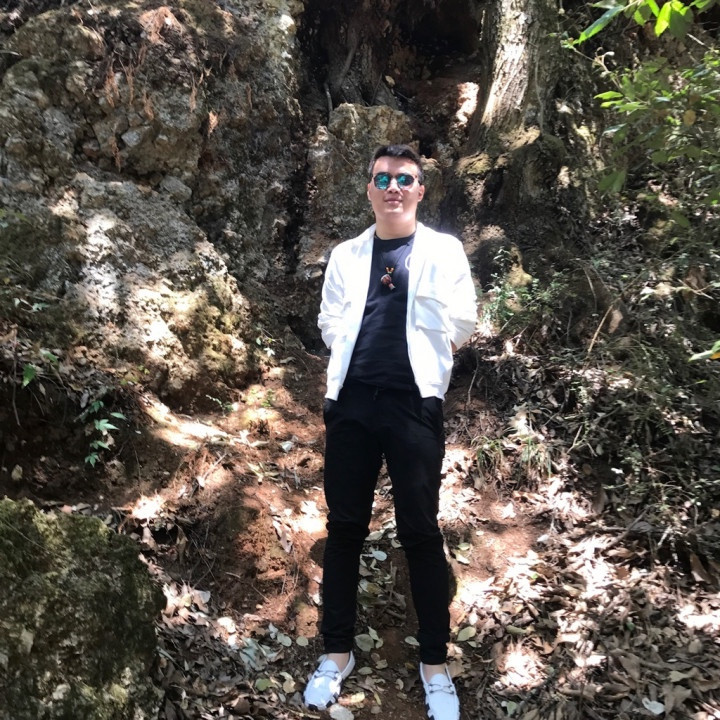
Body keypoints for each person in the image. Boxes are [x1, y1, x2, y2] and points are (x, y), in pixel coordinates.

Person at [304, 144, 477, 720]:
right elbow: (330, 319)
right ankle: (336, 653)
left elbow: (463, 319)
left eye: (404, 178)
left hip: (413, 406)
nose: (393, 187)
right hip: (352, 404)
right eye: (382, 179)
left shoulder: (444, 250)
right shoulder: (346, 254)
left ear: (421, 189)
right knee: (345, 528)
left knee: (420, 532)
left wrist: (428, 353)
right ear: (370, 190)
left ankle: (434, 665)